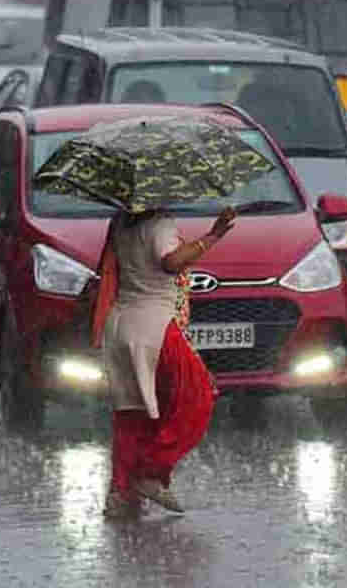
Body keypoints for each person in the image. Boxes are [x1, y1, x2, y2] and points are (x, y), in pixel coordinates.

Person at [91, 205, 237, 519]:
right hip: (154, 326)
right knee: (197, 396)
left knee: (132, 413)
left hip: (120, 324)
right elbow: (171, 262)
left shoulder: (120, 222)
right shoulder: (159, 223)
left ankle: (121, 493)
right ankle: (149, 472)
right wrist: (214, 235)